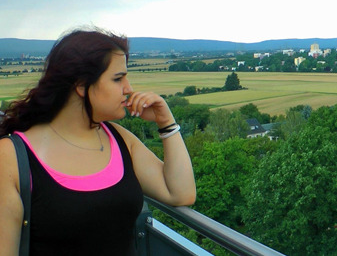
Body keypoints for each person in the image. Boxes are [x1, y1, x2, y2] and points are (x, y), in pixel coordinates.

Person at [0, 27, 196, 255]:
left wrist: (167, 122)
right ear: (82, 85)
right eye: (118, 78)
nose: (128, 88)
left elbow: (181, 193)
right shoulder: (11, 157)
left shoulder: (119, 139)